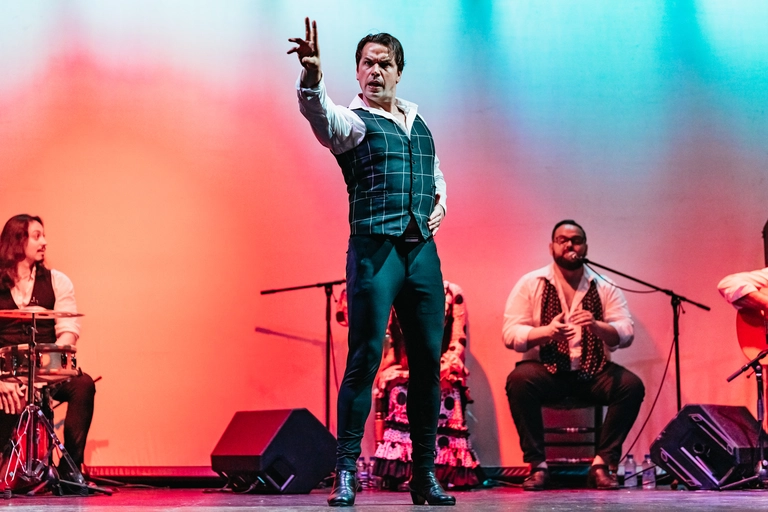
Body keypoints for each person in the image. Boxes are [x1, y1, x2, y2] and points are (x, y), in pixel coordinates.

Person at [289, 18, 454, 506]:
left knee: (427, 364)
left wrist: (438, 206)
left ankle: (424, 476)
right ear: (357, 72)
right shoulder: (354, 121)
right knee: (364, 359)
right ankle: (345, 473)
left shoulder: (419, 123)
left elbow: (435, 175)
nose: (375, 71)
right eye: (367, 64)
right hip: (375, 254)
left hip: (421, 254)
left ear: (399, 71)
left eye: (384, 64)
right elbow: (320, 116)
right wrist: (312, 78)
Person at [502, 220, 644, 491]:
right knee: (519, 380)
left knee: (631, 385)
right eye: (562, 240)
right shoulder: (531, 283)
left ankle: (601, 465)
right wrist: (545, 333)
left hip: (593, 372)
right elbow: (510, 334)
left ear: (585, 247)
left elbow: (625, 332)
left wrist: (597, 326)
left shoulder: (604, 285)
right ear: (551, 247)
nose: (570, 245)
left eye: (576, 240)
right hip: (547, 371)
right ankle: (538, 466)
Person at [0, 214, 96, 482]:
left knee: (83, 385)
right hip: (4, 374)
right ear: (18, 241)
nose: (44, 242)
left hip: (45, 372)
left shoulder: (57, 281)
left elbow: (68, 331)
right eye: (37, 236)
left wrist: (46, 372)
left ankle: (70, 469)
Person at [372, 281, 480, 490]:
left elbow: (457, 343)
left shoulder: (452, 293)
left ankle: (442, 469)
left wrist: (442, 368)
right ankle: (404, 470)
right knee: (398, 390)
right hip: (406, 367)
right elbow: (389, 343)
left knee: (444, 391)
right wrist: (384, 370)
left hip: (441, 367)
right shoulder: (394, 292)